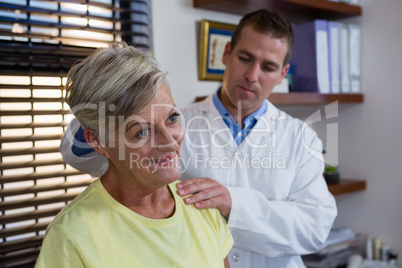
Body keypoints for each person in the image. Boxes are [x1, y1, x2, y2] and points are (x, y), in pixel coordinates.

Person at [60, 9, 337, 267]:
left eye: (268, 67)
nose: (252, 76)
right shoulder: (173, 122)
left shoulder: (301, 137)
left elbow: (315, 229)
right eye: (245, 58)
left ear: (282, 74)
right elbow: (81, 155)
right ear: (226, 53)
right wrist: (111, 96)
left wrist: (233, 204)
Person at [36, 43, 233, 267]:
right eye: (142, 131)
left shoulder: (201, 207)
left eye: (171, 118)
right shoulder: (71, 237)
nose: (170, 141)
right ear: (97, 142)